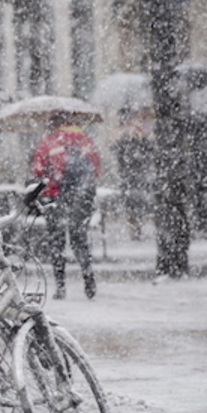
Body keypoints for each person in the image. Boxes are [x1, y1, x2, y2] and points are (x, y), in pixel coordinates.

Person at [31, 114, 102, 299]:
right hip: (82, 195)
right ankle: (88, 279)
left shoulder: (49, 141)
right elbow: (96, 168)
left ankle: (61, 287)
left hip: (55, 196)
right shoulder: (86, 139)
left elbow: (38, 169)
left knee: (57, 241)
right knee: (79, 238)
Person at [111, 107, 155, 240]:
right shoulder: (125, 138)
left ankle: (136, 227)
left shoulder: (138, 137)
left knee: (136, 202)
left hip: (135, 175)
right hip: (130, 175)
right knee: (132, 202)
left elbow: (148, 151)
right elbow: (117, 151)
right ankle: (135, 228)